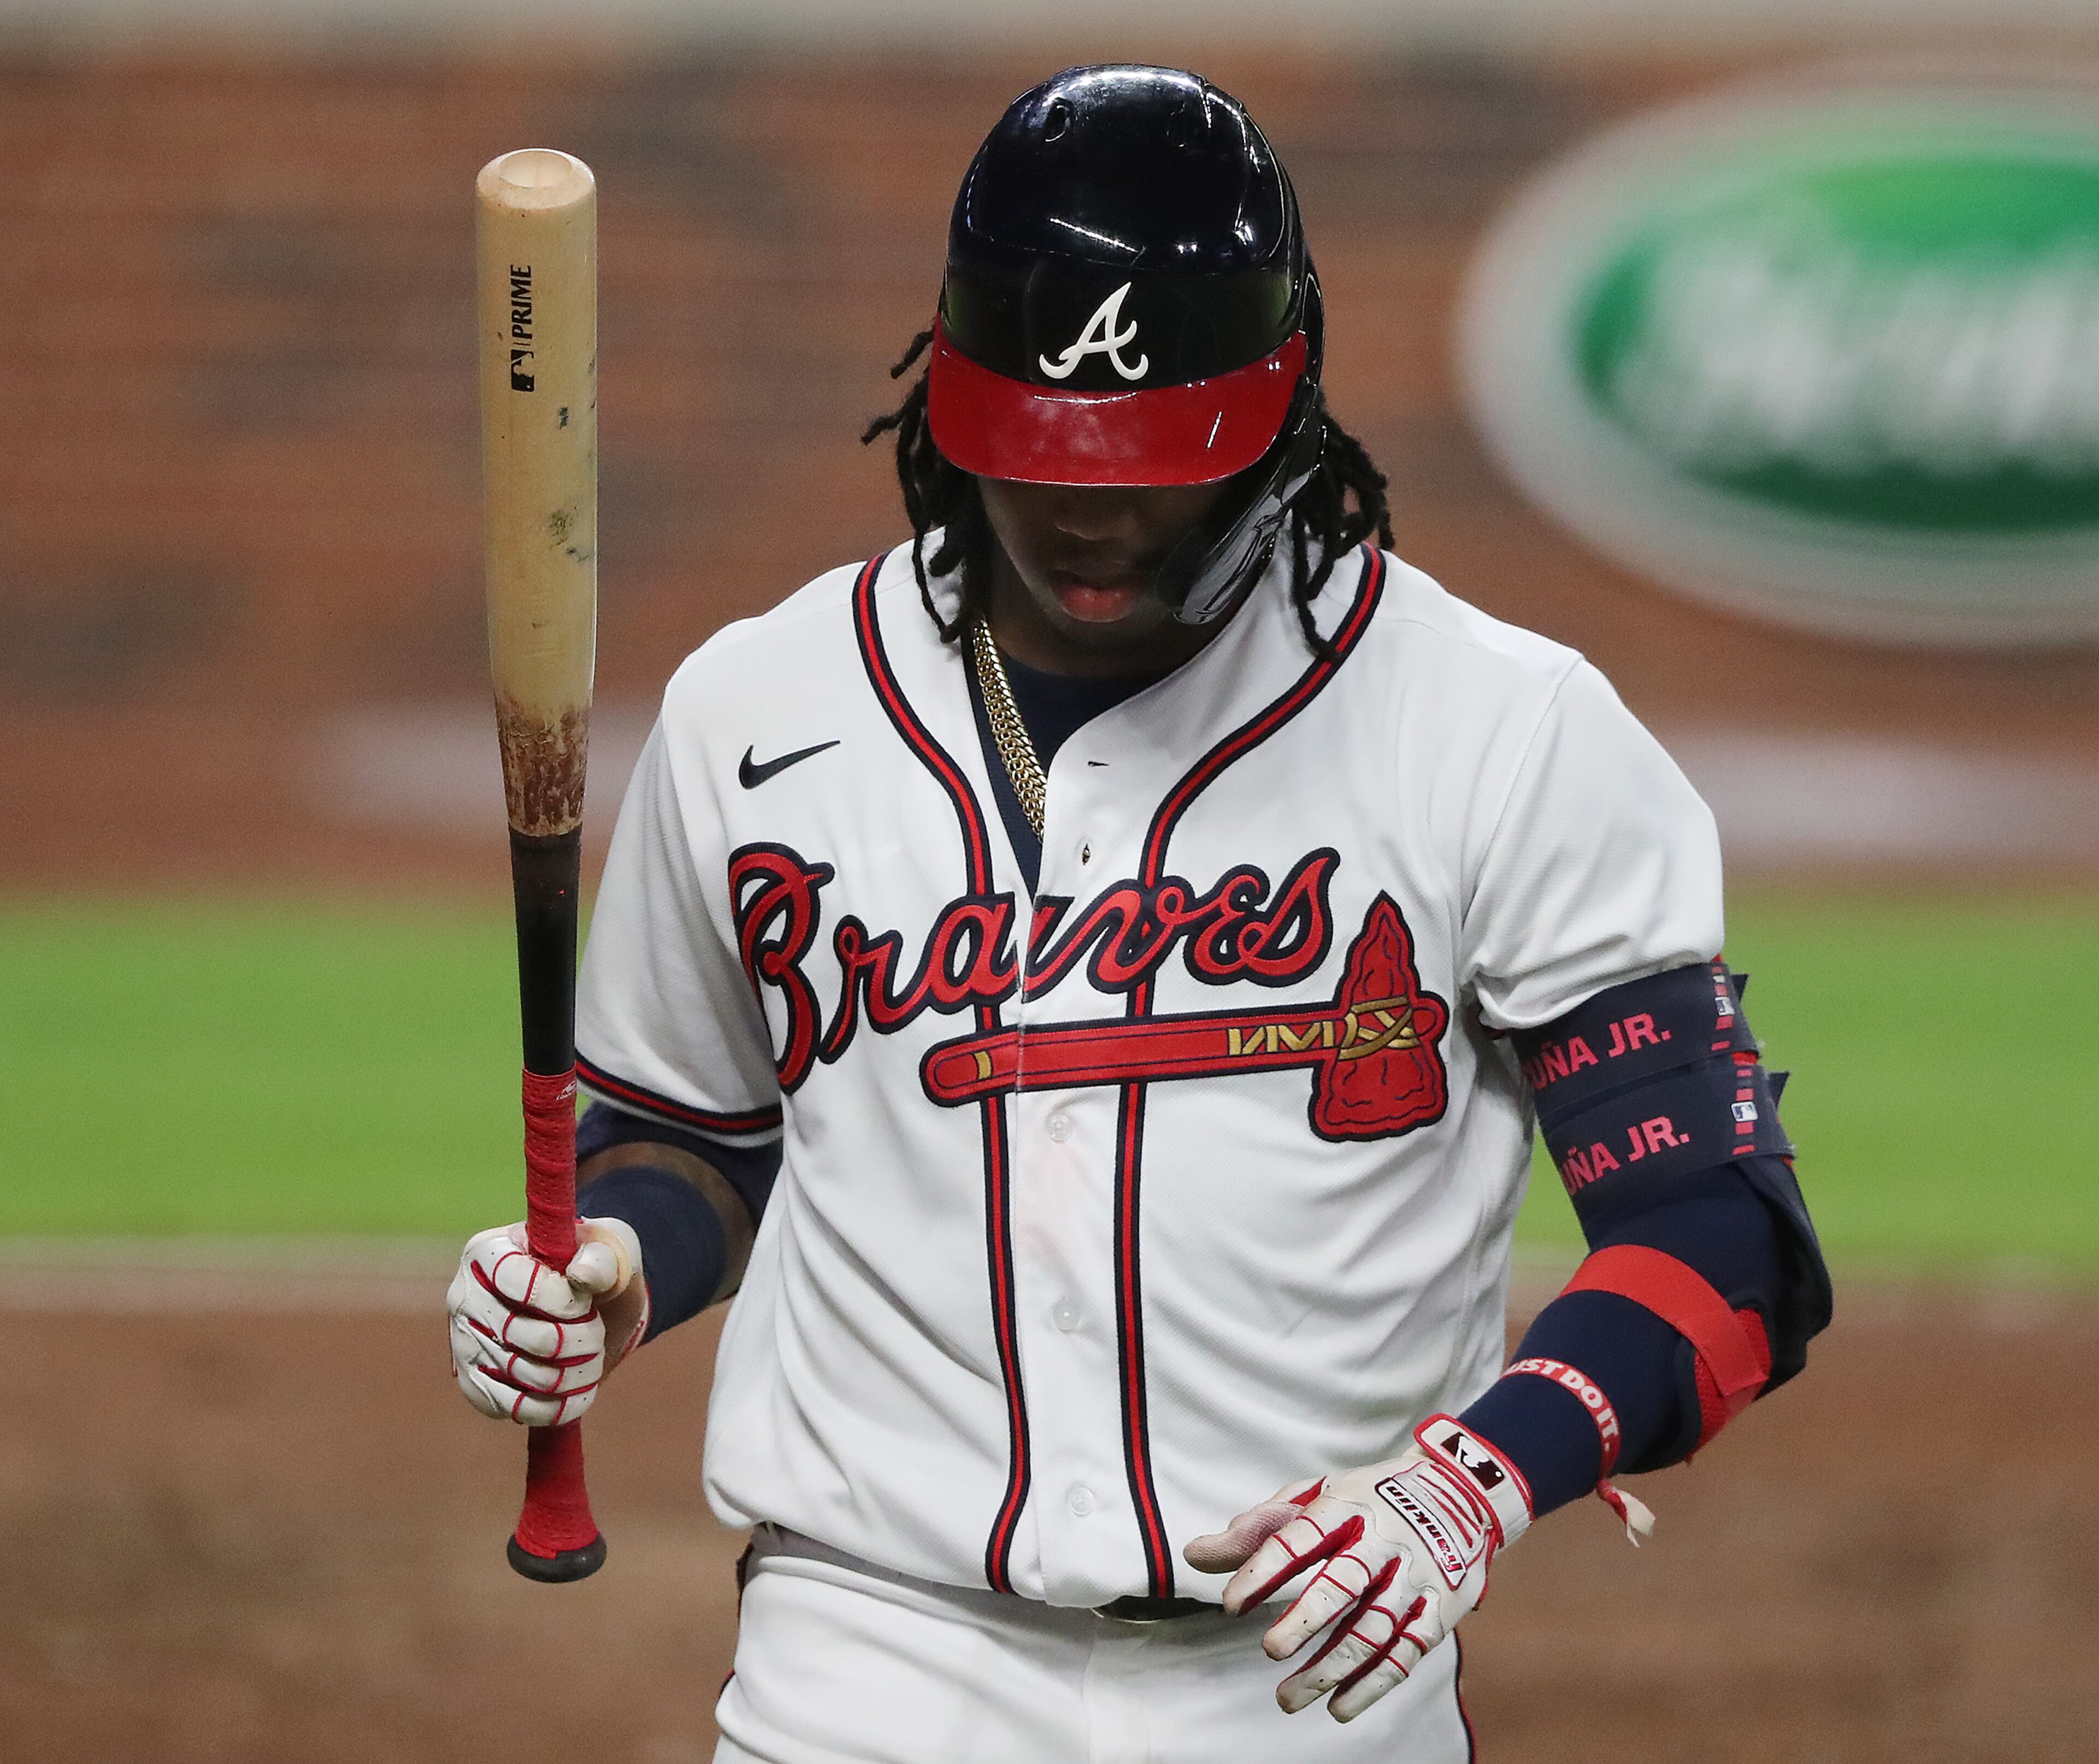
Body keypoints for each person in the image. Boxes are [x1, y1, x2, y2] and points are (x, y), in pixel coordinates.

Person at [447, 63, 1831, 1762]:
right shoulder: (758, 708)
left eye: (1157, 460)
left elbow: (1725, 1231)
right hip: (863, 1660)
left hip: (1314, 1683)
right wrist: (613, 1266)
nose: (1090, 511)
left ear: (1291, 395)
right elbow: (690, 1136)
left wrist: (1478, 1481)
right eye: (1039, 451)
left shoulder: (1501, 730)